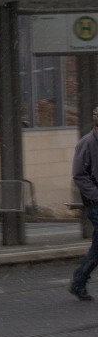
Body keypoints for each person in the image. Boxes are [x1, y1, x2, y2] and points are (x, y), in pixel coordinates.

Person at [68, 106, 98, 301]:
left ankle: (78, 282)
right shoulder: (86, 143)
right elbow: (79, 175)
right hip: (95, 203)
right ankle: (78, 282)